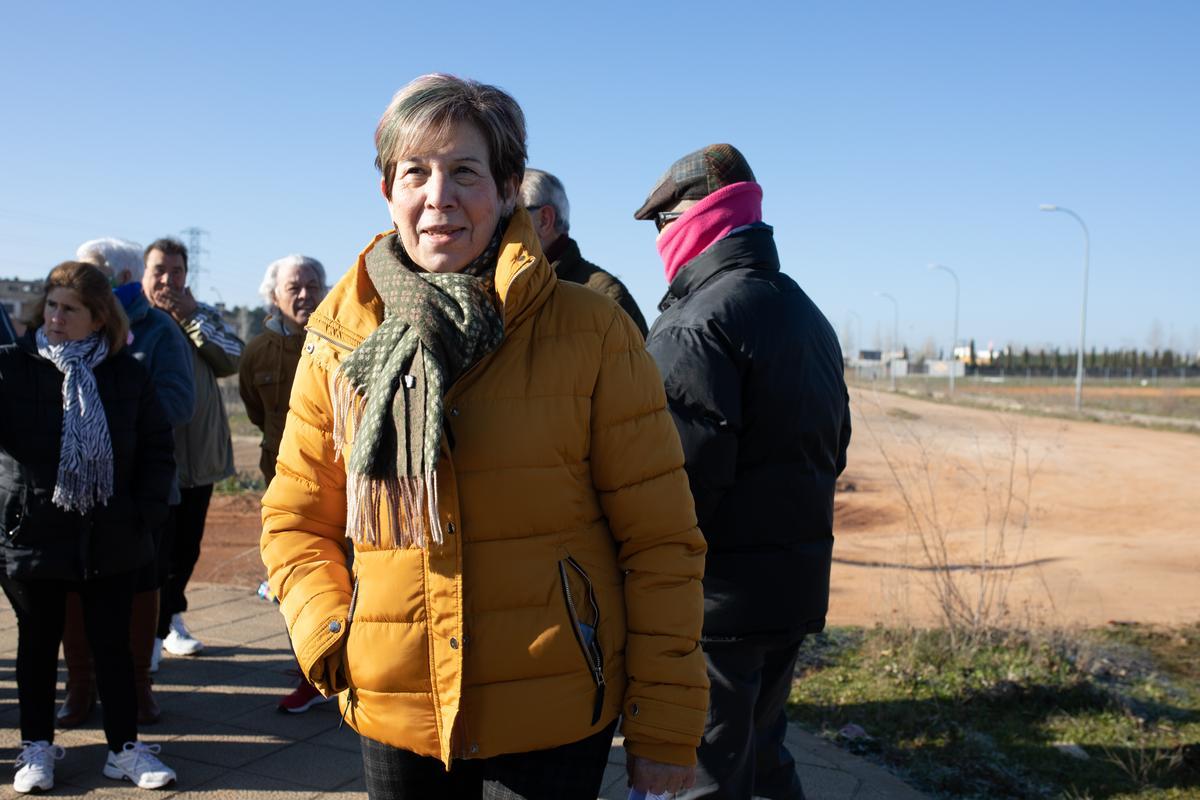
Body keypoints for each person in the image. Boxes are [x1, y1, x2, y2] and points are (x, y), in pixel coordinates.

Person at [260, 74, 709, 799]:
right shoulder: (340, 340)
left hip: (556, 708)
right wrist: (332, 639)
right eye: (416, 173)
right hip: (395, 708)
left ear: (506, 190)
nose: (439, 196)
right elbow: (295, 521)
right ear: (388, 194)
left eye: (464, 171)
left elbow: (661, 542)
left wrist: (664, 729)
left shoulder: (590, 331)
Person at [635, 144, 852, 800]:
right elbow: (834, 448)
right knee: (760, 758)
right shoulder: (801, 310)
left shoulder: (696, 325)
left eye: (660, 221)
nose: (660, 237)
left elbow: (675, 491)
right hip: (790, 592)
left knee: (700, 776)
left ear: (696, 215)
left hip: (715, 606)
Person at [0, 262, 178, 792]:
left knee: (114, 648)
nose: (55, 317)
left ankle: (124, 749)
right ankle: (36, 749)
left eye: (69, 308)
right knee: (36, 645)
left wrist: (142, 517)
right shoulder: (13, 367)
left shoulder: (127, 374)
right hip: (33, 535)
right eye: (51, 305)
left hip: (111, 537)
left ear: (98, 318)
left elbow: (157, 450)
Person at [56, 237, 196, 728]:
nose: (75, 282)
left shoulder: (157, 331)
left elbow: (180, 403)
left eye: (87, 272)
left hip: (138, 491)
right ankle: (80, 686)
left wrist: (111, 414)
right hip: (76, 491)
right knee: (74, 589)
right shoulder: (65, 330)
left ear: (117, 280)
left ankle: (138, 687)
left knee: (140, 588)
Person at [142, 238, 244, 660]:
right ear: (144, 275)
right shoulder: (133, 320)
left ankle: (171, 619)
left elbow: (233, 358)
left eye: (177, 272)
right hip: (151, 458)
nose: (168, 280)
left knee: (186, 547)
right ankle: (149, 628)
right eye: (159, 271)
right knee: (152, 549)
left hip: (198, 458)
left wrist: (191, 319)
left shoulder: (202, 316)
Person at [238, 254, 330, 713]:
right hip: (284, 482)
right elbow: (256, 409)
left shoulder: (340, 339)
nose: (305, 294)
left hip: (339, 481)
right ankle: (309, 672)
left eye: (313, 285)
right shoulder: (257, 351)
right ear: (273, 296)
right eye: (294, 286)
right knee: (297, 580)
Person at [518, 168, 648, 337]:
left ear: (544, 219)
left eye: (509, 216)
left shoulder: (606, 298)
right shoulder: (497, 290)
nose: (497, 228)